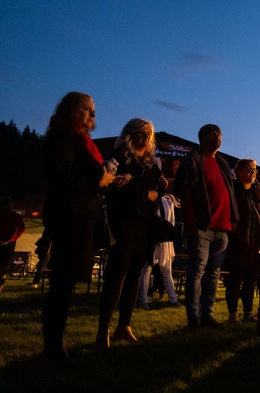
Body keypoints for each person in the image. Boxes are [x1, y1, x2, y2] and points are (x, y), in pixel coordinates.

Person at [40, 92, 115, 363]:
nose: (92, 115)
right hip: (69, 216)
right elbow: (62, 181)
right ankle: (52, 348)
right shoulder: (61, 138)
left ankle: (54, 346)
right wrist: (99, 181)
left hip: (83, 216)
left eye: (94, 110)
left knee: (67, 281)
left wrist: (106, 179)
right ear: (71, 109)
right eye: (86, 109)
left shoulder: (81, 140)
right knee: (62, 282)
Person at [96, 118, 167, 349]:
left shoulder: (149, 162)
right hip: (124, 221)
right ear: (130, 134)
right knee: (118, 273)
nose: (147, 137)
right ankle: (103, 328)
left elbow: (155, 189)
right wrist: (142, 194)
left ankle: (124, 326)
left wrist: (162, 186)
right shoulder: (119, 155)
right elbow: (110, 183)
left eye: (150, 133)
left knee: (135, 274)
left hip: (145, 223)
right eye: (142, 132)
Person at [173, 124, 239, 329]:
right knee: (197, 271)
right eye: (213, 134)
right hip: (202, 226)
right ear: (202, 138)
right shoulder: (193, 160)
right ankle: (193, 317)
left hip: (222, 227)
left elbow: (230, 192)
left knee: (213, 273)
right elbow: (181, 188)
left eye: (220, 134)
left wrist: (232, 220)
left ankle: (207, 315)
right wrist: (192, 220)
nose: (218, 137)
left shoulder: (222, 163)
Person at [222, 159, 260, 323]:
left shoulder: (254, 193)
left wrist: (259, 196)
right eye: (250, 169)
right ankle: (232, 314)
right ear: (239, 172)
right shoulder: (233, 190)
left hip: (255, 242)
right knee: (236, 278)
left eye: (255, 170)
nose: (253, 173)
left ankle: (248, 313)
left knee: (251, 279)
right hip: (238, 241)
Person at [138, 194, 183, 309]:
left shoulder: (168, 201)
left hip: (165, 239)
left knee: (166, 270)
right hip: (153, 238)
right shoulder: (151, 200)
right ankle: (143, 300)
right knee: (147, 269)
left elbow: (171, 220)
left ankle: (173, 299)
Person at [0, 195, 26, 293]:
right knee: (4, 266)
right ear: (9, 204)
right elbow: (21, 229)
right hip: (9, 244)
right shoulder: (15, 216)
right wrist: (11, 239)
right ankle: (0, 285)